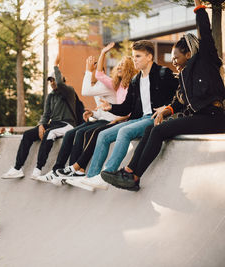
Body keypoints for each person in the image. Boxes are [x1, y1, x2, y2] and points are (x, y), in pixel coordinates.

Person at [101, 0, 225, 191]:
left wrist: (199, 8)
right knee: (152, 128)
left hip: (214, 117)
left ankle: (133, 176)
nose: (173, 61)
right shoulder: (183, 77)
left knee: (159, 131)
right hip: (200, 118)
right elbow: (178, 101)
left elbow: (205, 32)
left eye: (176, 57)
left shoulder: (205, 61)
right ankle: (128, 171)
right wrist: (166, 111)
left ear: (189, 54)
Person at [66, 40, 178, 191]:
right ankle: (92, 177)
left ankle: (108, 173)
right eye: (133, 56)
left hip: (154, 118)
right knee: (103, 135)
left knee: (124, 131)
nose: (134, 60)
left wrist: (167, 108)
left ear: (149, 57)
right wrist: (110, 107)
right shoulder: (135, 80)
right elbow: (127, 107)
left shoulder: (163, 73)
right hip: (138, 119)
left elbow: (179, 95)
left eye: (138, 56)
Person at [38, 47, 138, 184]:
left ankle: (76, 170)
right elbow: (100, 79)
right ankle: (61, 170)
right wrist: (94, 113)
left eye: (123, 65)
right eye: (118, 65)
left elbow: (88, 89)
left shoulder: (111, 85)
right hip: (107, 118)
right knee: (73, 133)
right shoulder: (117, 84)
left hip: (115, 121)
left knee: (87, 133)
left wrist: (88, 70)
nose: (119, 66)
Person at [1, 55, 78, 179]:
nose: (52, 82)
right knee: (27, 135)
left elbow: (60, 83)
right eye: (50, 80)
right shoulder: (50, 96)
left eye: (54, 79)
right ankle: (17, 168)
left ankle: (38, 169)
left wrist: (55, 65)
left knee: (49, 133)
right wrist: (41, 125)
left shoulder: (69, 91)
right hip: (54, 124)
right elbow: (46, 114)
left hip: (68, 124)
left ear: (62, 80)